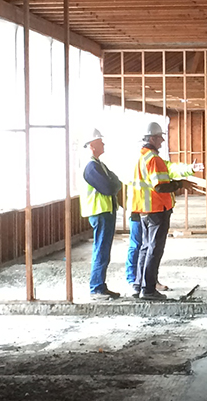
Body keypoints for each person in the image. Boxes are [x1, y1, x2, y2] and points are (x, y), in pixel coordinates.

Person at [132, 121, 204, 300]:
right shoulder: (153, 160)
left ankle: (139, 285)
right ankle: (148, 290)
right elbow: (160, 187)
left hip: (145, 210)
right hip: (157, 210)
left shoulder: (143, 157)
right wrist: (181, 184)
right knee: (154, 249)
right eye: (159, 138)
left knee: (146, 248)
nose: (162, 141)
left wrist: (186, 172)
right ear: (152, 138)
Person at [80, 128, 123, 301]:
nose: (103, 143)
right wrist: (114, 185)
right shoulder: (91, 167)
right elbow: (109, 187)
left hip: (105, 212)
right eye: (100, 141)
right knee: (101, 250)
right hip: (100, 212)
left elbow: (117, 182)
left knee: (103, 250)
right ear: (92, 145)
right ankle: (97, 288)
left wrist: (114, 185)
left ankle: (100, 286)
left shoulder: (98, 164)